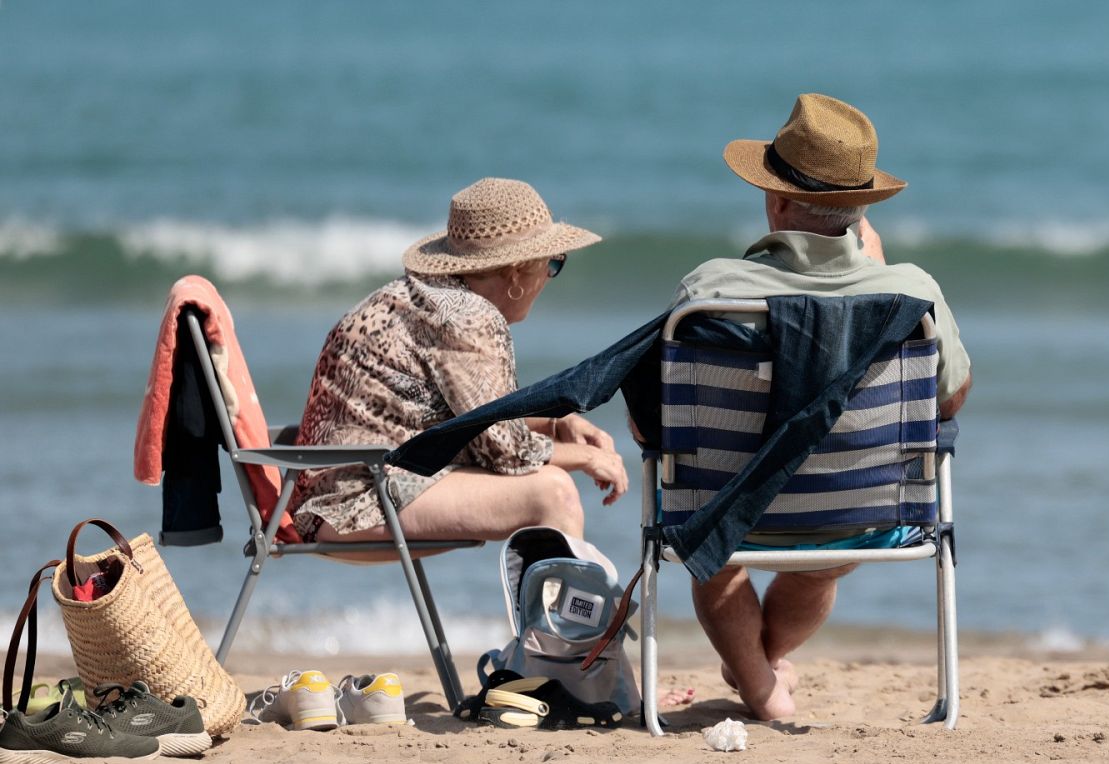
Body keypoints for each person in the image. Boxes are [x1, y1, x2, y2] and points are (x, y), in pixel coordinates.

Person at [672, 93, 973, 719]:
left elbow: (658, 416)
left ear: (778, 202)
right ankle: (763, 674)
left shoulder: (710, 290)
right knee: (821, 563)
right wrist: (878, 278)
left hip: (726, 516)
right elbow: (949, 400)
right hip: (860, 516)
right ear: (861, 209)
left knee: (713, 554)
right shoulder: (910, 292)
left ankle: (760, 685)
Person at [289, 177, 629, 546]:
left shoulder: (423, 295)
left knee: (550, 485)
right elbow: (509, 456)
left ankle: (553, 585)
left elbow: (475, 419)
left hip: (326, 495)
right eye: (552, 263)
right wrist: (586, 457)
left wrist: (555, 423)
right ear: (517, 271)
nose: (549, 277)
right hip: (355, 505)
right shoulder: (466, 316)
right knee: (553, 494)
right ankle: (561, 588)